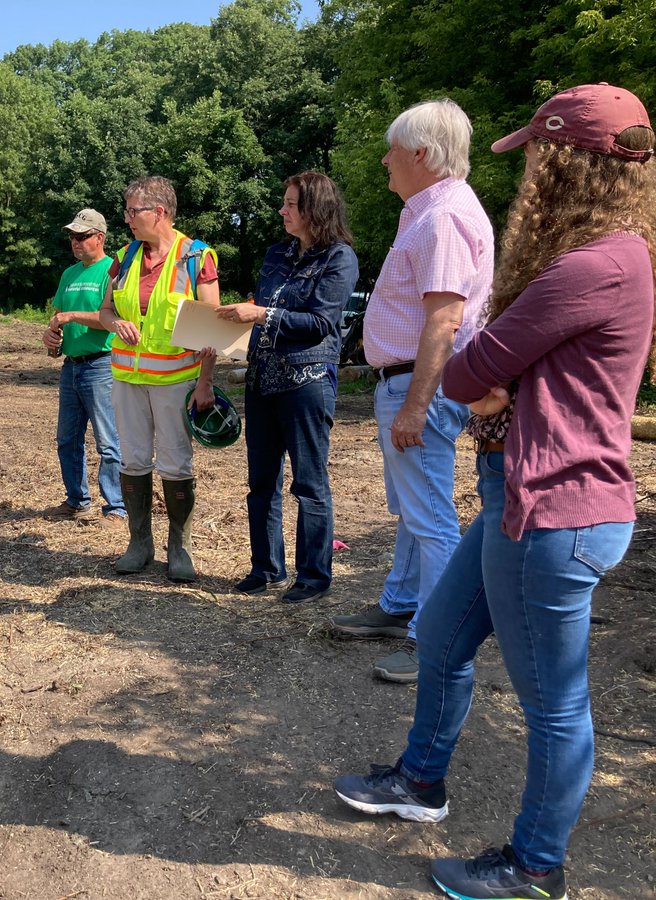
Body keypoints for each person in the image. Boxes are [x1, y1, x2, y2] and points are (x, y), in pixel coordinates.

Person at [334, 83, 655, 900]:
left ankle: (535, 866)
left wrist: (488, 382)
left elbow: (471, 368)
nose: (529, 172)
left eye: (540, 154)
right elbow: (485, 374)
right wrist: (492, 383)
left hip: (556, 510)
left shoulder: (597, 263)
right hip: (527, 497)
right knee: (441, 634)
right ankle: (420, 782)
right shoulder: (604, 256)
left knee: (554, 705)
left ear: (572, 162)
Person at [329, 99, 494, 683]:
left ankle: (438, 638)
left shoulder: (442, 218)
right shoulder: (429, 211)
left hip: (417, 386)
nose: (384, 161)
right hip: (405, 382)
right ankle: (400, 605)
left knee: (429, 516)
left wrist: (418, 405)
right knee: (413, 509)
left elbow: (445, 319)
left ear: (421, 154)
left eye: (392, 151)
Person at [216, 172, 359, 604]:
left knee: (309, 484)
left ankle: (313, 576)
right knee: (261, 481)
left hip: (307, 382)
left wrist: (260, 315)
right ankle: (266, 568)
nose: (283, 210)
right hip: (262, 379)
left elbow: (320, 324)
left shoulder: (339, 258)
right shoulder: (276, 253)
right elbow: (261, 314)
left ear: (315, 208)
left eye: (291, 204)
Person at [97, 176, 219, 582]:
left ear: (159, 212)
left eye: (134, 211)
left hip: (175, 381)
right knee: (132, 459)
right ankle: (139, 543)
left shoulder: (196, 258)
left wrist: (205, 383)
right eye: (127, 211)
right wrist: (118, 324)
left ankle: (178, 547)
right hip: (127, 379)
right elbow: (105, 313)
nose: (127, 219)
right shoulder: (124, 256)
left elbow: (212, 328)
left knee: (175, 463)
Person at [41, 209, 126, 528]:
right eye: (72, 237)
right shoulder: (68, 274)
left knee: (107, 440)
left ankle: (116, 506)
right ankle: (77, 501)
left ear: (100, 237)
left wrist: (72, 316)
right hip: (71, 366)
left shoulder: (112, 271)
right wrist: (51, 338)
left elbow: (111, 320)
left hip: (101, 365)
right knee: (67, 439)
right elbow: (58, 316)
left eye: (82, 236)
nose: (75, 242)